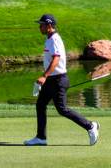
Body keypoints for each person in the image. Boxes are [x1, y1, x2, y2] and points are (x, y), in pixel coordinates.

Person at [24, 14, 100, 146]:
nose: (39, 27)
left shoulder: (54, 39)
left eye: (41, 25)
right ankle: (41, 138)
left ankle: (90, 126)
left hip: (58, 80)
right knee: (40, 104)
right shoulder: (49, 39)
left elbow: (56, 59)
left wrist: (44, 76)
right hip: (52, 80)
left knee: (62, 109)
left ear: (49, 25)